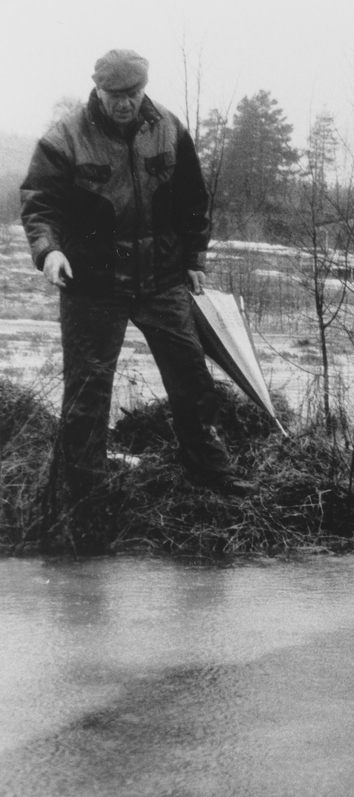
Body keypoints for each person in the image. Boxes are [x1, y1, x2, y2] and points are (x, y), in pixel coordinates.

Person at [20, 49, 254, 545]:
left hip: (162, 279)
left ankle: (209, 470)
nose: (125, 104)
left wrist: (194, 259)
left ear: (143, 88)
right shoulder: (64, 139)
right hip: (92, 287)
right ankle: (84, 496)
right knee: (87, 395)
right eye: (114, 96)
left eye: (132, 94)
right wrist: (50, 253)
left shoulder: (169, 128)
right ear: (97, 91)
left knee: (191, 377)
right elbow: (39, 206)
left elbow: (193, 199)